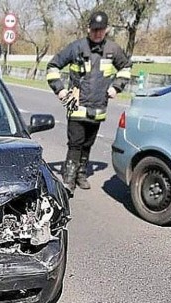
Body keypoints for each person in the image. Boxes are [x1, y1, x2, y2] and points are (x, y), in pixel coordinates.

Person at [46, 11, 132, 189]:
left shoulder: (112, 50)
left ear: (106, 30)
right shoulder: (77, 47)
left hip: (98, 108)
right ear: (88, 29)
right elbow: (53, 66)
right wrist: (60, 90)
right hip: (77, 106)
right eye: (94, 30)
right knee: (75, 144)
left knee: (88, 144)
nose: (97, 33)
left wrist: (116, 87)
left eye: (100, 30)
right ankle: (69, 178)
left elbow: (126, 68)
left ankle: (81, 174)